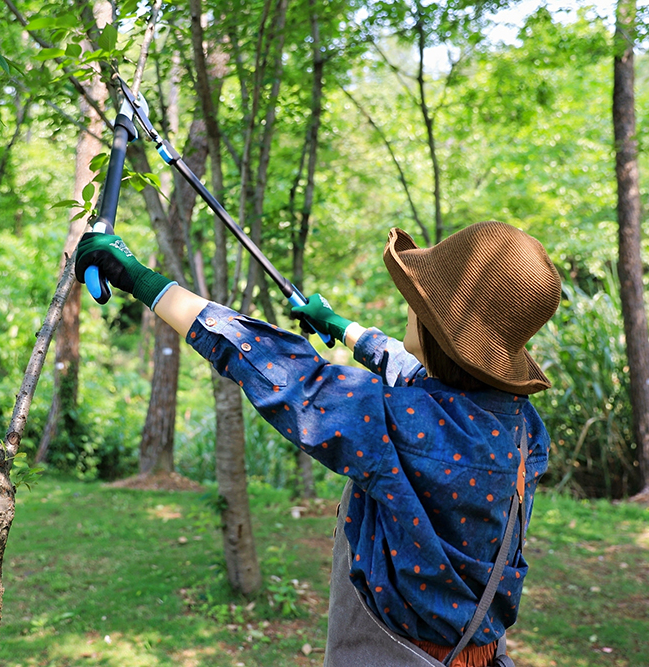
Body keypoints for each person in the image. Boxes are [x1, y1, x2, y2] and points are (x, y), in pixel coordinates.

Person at [75, 221, 562, 667]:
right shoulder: (518, 424)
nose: (412, 304)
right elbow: (418, 377)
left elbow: (289, 377)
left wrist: (139, 278)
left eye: (422, 301)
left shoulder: (403, 427)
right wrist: (340, 327)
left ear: (442, 330)